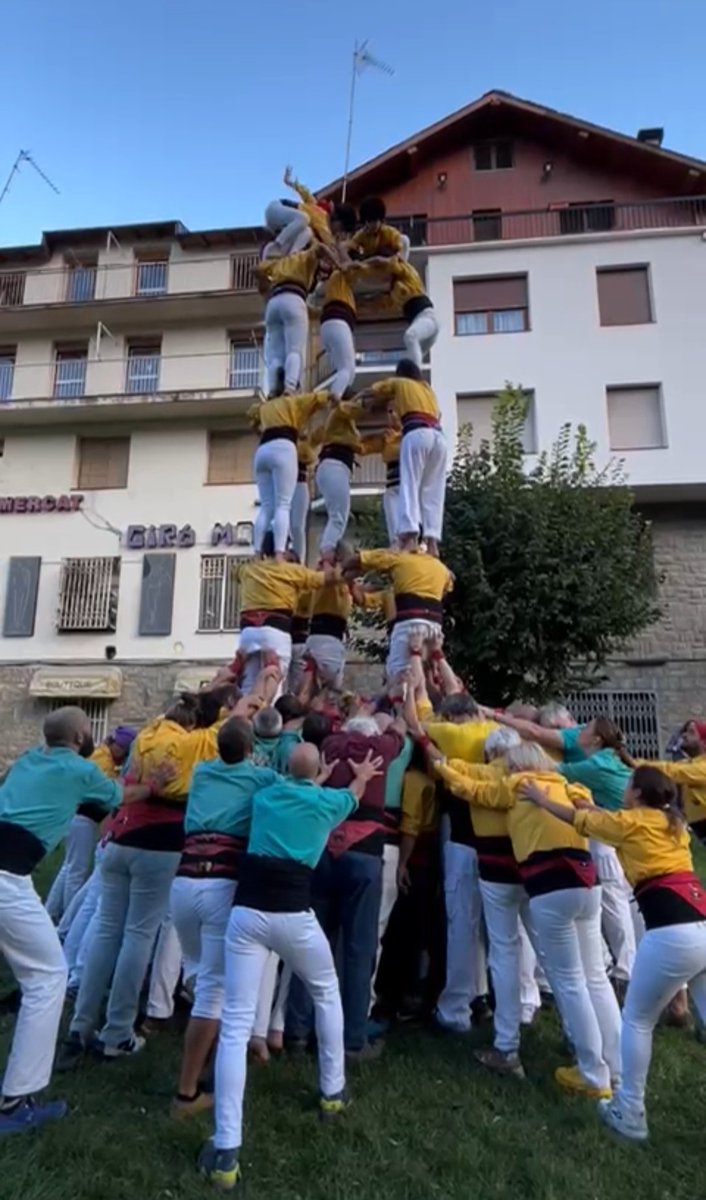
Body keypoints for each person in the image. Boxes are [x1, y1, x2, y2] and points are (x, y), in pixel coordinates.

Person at [197, 744, 382, 1190]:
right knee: (326, 992)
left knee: (237, 1022)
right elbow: (353, 792)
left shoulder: (266, 795)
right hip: (295, 917)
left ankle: (226, 1150)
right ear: (319, 771)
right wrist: (361, 772)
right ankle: (333, 1092)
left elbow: (294, 782)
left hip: (247, 915)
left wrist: (307, 773)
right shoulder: (328, 803)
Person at [521, 764, 706, 1141]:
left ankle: (630, 1111)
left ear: (636, 793)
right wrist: (586, 800)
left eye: (628, 785)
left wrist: (542, 799)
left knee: (637, 1020)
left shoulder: (629, 823)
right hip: (702, 922)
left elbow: (580, 821)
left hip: (671, 931)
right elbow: (601, 817)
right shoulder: (672, 823)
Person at [0, 707, 157, 1135]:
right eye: (89, 731)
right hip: (6, 880)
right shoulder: (78, 769)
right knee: (49, 976)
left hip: (9, 872)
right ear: (80, 735)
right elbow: (119, 796)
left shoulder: (28, 760)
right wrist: (154, 783)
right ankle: (16, 1102)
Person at [445, 739, 622, 1098]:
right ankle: (616, 1063)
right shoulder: (572, 786)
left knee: (554, 974)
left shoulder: (514, 782)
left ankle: (585, 1071)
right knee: (593, 977)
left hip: (538, 879)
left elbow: (467, 785)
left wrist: (435, 756)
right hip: (585, 880)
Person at [59, 695, 227, 1066]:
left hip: (120, 837)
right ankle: (117, 1031)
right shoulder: (191, 747)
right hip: (159, 844)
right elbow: (228, 725)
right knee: (138, 935)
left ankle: (80, 1025)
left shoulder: (144, 739)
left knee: (106, 931)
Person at [170, 716, 279, 1119]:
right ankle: (186, 1092)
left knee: (201, 976)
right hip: (221, 883)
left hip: (183, 882)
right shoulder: (259, 780)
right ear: (250, 751)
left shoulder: (200, 773)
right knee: (215, 992)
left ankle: (209, 1054)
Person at [287, 711, 405, 1059]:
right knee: (359, 948)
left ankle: (297, 1030)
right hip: (365, 855)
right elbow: (399, 731)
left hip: (322, 851)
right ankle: (353, 1038)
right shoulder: (381, 746)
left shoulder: (330, 744)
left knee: (311, 943)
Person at [494, 712, 637, 994]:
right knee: (620, 902)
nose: (579, 729)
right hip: (614, 831)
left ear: (596, 739)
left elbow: (551, 771)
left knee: (615, 900)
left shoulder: (594, 765)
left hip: (612, 837)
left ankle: (626, 971)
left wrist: (521, 760)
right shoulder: (601, 757)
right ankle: (621, 968)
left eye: (587, 728)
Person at [429, 726, 543, 1075]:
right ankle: (526, 1002)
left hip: (469, 851)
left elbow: (446, 769)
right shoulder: (532, 779)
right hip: (518, 858)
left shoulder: (476, 772)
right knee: (520, 934)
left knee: (464, 928)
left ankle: (456, 1008)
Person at [46, 725, 136, 925]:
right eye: (124, 751)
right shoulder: (102, 761)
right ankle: (68, 918)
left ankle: (51, 911)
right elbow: (102, 792)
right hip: (82, 818)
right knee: (76, 870)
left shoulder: (102, 756)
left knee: (68, 866)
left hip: (74, 816)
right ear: (118, 746)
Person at [358, 361, 447, 555]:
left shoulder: (401, 383)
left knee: (410, 486)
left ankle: (411, 537)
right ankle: (432, 541)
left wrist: (366, 398)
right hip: (439, 437)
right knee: (432, 490)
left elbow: (377, 389)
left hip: (417, 433)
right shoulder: (427, 390)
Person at [343, 544, 453, 678]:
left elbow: (360, 560)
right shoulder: (441, 568)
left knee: (400, 675)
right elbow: (449, 584)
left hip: (407, 626)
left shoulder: (398, 557)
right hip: (434, 625)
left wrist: (343, 571)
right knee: (428, 675)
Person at [236, 547, 332, 694]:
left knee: (252, 683)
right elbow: (325, 578)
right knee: (277, 681)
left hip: (258, 631)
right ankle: (272, 713)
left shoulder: (252, 570)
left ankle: (246, 712)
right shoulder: (294, 576)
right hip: (281, 632)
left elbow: (236, 572)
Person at [249, 391, 330, 557]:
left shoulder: (265, 408)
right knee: (283, 505)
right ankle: (280, 553)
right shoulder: (293, 402)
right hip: (284, 451)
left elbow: (251, 415)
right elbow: (318, 398)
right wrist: (334, 396)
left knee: (268, 507)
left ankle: (258, 552)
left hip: (264, 452)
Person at [256, 244, 323, 396]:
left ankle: (273, 388)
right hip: (294, 299)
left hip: (273, 304)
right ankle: (290, 386)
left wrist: (263, 280)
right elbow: (320, 249)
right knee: (294, 349)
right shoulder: (303, 257)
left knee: (276, 355)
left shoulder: (277, 263)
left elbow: (257, 274)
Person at [312, 401, 364, 560]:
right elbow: (346, 409)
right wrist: (366, 403)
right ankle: (327, 554)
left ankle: (328, 551)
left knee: (338, 516)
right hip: (335, 466)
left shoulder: (342, 424)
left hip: (330, 467)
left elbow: (360, 447)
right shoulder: (339, 413)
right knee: (338, 517)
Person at [304, 557, 353, 689]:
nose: (318, 566)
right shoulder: (326, 584)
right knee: (325, 690)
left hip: (331, 640)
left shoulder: (341, 586)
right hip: (325, 638)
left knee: (326, 690)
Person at [386, 258, 439, 369]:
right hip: (421, 321)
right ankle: (410, 376)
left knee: (410, 336)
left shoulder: (408, 272)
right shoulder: (393, 292)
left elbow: (404, 244)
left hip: (428, 318)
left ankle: (415, 377)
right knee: (408, 360)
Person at [359, 419, 402, 547]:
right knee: (394, 532)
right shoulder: (386, 437)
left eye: (395, 411)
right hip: (392, 487)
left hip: (409, 488)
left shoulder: (410, 433)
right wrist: (374, 434)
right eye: (389, 412)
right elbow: (361, 447)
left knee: (411, 527)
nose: (392, 416)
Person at [348, 197, 406, 261]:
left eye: (374, 221)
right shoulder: (360, 236)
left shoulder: (391, 233)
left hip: (389, 265)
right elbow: (353, 252)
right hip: (369, 267)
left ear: (380, 219)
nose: (371, 225)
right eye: (369, 221)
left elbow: (398, 254)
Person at [290, 438, 317, 563]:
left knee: (297, 526)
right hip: (285, 486)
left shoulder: (303, 445)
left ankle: (298, 560)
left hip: (299, 484)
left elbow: (309, 457)